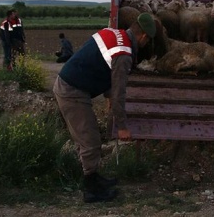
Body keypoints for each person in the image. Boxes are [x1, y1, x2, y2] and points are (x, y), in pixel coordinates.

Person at [53, 13, 156, 203]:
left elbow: (100, 65)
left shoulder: (112, 33)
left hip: (71, 84)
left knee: (87, 138)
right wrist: (122, 126)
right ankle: (91, 190)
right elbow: (119, 92)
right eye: (147, 41)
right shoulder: (124, 54)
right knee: (90, 140)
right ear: (143, 37)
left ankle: (94, 177)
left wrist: (107, 94)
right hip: (72, 91)